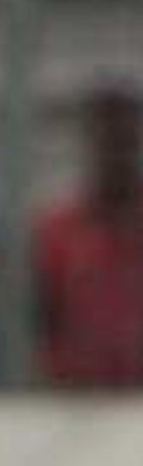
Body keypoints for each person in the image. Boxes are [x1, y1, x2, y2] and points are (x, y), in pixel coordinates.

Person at [35, 85, 143, 388]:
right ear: (90, 146)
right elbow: (41, 317)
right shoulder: (58, 230)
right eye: (106, 142)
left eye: (123, 142)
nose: (114, 155)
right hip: (77, 397)